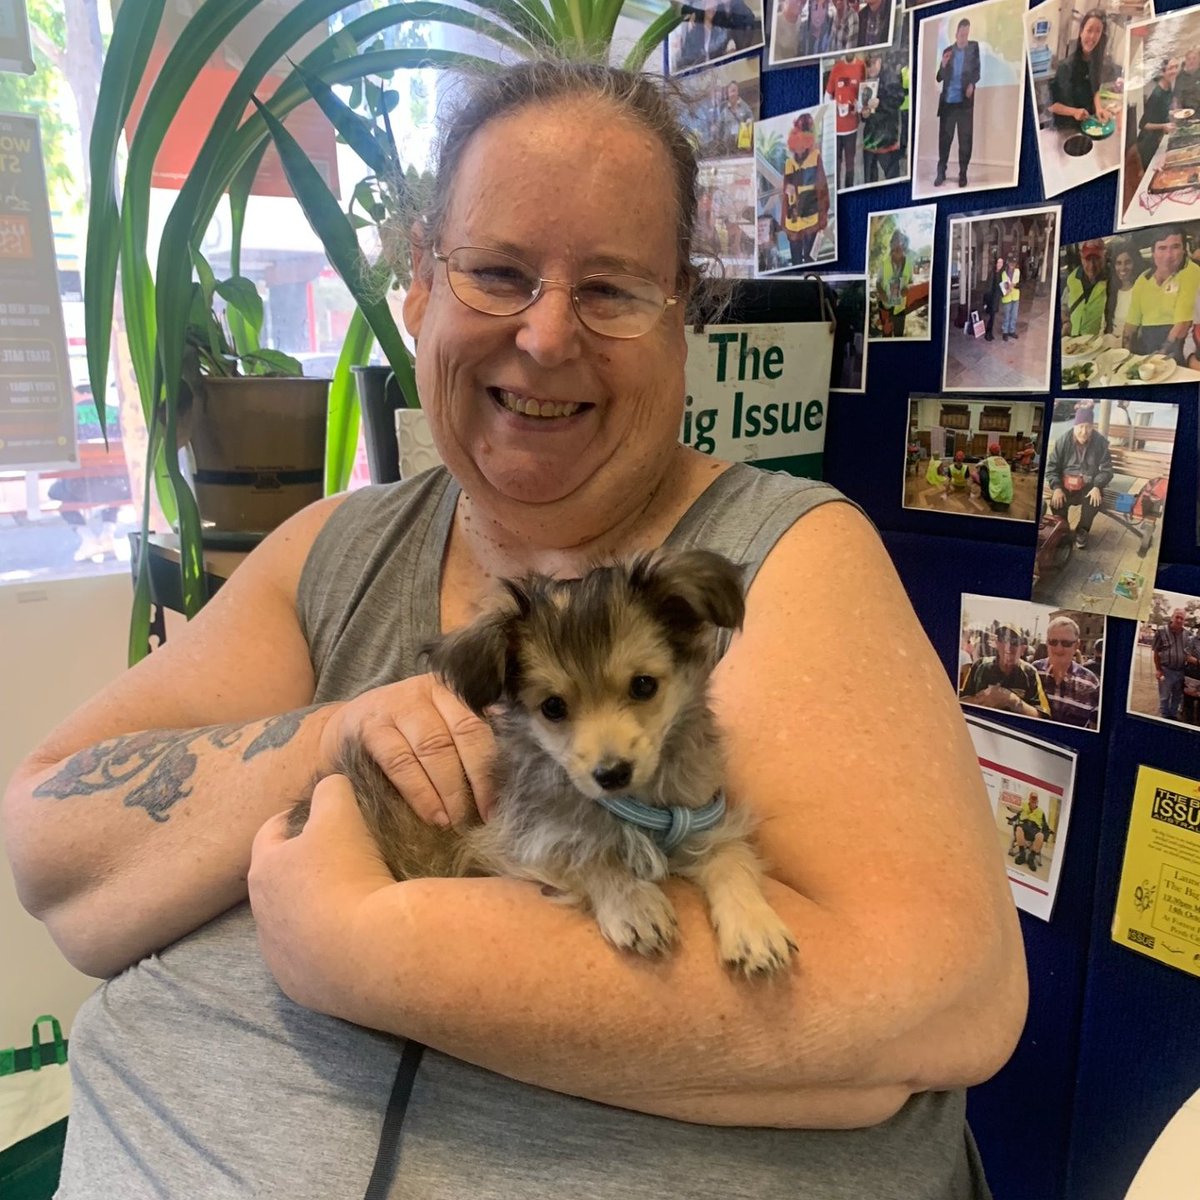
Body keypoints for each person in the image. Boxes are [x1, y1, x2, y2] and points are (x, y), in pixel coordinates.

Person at [1, 60, 1027, 1199]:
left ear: (685, 316)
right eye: (496, 274)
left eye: (611, 290)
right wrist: (340, 736)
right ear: (418, 291)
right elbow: (54, 853)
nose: (545, 338)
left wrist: (365, 947)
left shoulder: (779, 552)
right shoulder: (335, 545)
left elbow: (941, 1000)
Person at [1122, 226, 1200, 362]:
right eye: (1162, 248)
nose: (1168, 255)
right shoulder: (1143, 279)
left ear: (1184, 249)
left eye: (1175, 247)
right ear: (1153, 253)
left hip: (1177, 348)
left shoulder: (1192, 271)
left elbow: (1182, 325)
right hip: (1146, 347)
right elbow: (1130, 325)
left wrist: (1159, 356)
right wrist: (1124, 356)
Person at [1046, 403, 1113, 550]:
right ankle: (1063, 531)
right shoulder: (1062, 441)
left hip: (1088, 486)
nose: (1084, 431)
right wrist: (1056, 487)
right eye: (1080, 426)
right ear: (1074, 426)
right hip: (1066, 485)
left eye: (1088, 427)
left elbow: (1107, 470)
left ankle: (1082, 531)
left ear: (1092, 427)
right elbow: (1052, 468)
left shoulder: (1100, 442)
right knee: (1056, 503)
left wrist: (1097, 486)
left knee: (1094, 502)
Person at [959, 623, 1051, 719]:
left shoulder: (1030, 672)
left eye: (1015, 642)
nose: (1008, 648)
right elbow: (960, 701)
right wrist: (983, 699)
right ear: (997, 644)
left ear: (1023, 649)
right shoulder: (980, 666)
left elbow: (1042, 716)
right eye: (1004, 640)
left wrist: (1010, 700)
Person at [934, 18, 981, 188]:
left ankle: (963, 173)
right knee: (944, 141)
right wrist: (943, 64)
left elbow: (977, 72)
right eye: (962, 34)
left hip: (965, 105)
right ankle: (941, 172)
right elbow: (939, 77)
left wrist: (972, 84)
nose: (964, 38)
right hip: (948, 105)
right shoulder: (948, 51)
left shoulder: (974, 48)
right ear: (956, 34)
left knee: (965, 141)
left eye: (967, 34)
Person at [1032, 616, 1100, 729]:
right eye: (1053, 642)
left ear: (1077, 646)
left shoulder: (1091, 683)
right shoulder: (1034, 672)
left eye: (1066, 643)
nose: (1059, 649)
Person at [1047, 10, 1110, 130]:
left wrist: (1099, 109)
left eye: (1098, 31)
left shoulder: (1096, 62)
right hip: (1067, 128)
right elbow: (1051, 106)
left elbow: (1095, 90)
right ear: (1081, 32)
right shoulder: (1066, 67)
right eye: (1089, 30)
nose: (1093, 36)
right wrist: (1074, 112)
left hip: (1088, 124)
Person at [782, 111, 830, 265]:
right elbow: (785, 193)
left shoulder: (815, 157)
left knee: (810, 261)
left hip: (811, 217)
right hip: (794, 219)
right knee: (796, 263)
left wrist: (823, 217)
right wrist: (788, 188)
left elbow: (822, 188)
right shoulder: (789, 163)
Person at [860, 50, 905, 183]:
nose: (870, 68)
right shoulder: (866, 79)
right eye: (867, 65)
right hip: (870, 136)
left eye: (873, 63)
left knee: (892, 178)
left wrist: (881, 103)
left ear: (879, 61)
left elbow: (898, 100)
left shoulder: (891, 77)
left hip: (887, 136)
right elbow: (863, 108)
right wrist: (864, 115)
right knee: (869, 179)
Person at [826, 52, 866, 189]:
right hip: (836, 127)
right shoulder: (837, 68)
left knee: (850, 163)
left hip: (852, 127)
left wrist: (858, 107)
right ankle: (837, 192)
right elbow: (827, 96)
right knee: (836, 163)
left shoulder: (861, 66)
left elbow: (864, 94)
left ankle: (849, 189)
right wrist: (833, 108)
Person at [1135, 58, 1179, 172]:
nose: (1174, 71)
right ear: (1162, 72)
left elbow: (1161, 111)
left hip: (1159, 139)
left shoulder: (1169, 86)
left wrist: (1171, 112)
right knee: (1153, 173)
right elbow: (1143, 124)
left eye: (1176, 67)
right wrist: (1164, 126)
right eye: (1170, 68)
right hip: (1148, 143)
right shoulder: (1156, 94)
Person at [1061, 240, 1109, 337]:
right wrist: (1066, 322)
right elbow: (1064, 307)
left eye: (1096, 259)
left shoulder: (1112, 279)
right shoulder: (1072, 278)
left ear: (1104, 257)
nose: (1092, 266)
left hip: (1098, 344)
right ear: (1081, 257)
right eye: (1088, 259)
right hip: (1074, 342)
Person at [1153, 607, 1194, 720]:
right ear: (1172, 617)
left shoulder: (1188, 634)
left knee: (1177, 696)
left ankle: (1173, 715)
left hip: (1181, 671)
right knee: (1165, 696)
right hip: (1166, 670)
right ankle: (1164, 716)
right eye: (1177, 617)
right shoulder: (1161, 631)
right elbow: (1156, 652)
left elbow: (1190, 652)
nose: (1179, 620)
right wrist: (1158, 669)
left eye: (1182, 618)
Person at [875, 226, 912, 336]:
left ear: (904, 246)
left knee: (899, 336)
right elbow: (878, 282)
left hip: (900, 309)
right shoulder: (884, 263)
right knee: (886, 337)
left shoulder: (909, 264)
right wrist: (881, 293)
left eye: (900, 242)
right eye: (895, 242)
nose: (898, 246)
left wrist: (907, 289)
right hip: (885, 307)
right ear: (891, 245)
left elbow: (910, 282)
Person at [1011, 792, 1053, 872]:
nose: (1033, 801)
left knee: (1040, 835)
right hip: (1024, 825)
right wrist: (1012, 819)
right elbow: (1017, 814)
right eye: (1032, 799)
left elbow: (1044, 825)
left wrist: (1047, 832)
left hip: (1034, 829)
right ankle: (1022, 854)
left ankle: (1031, 858)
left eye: (1035, 799)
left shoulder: (1041, 812)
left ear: (1037, 801)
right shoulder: (1023, 805)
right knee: (1019, 828)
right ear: (1029, 799)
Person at [1107, 241, 1139, 338]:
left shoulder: (1140, 289)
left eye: (1127, 262)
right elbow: (1105, 325)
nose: (1123, 268)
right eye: (1118, 263)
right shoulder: (1112, 291)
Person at [976, 441, 1013, 513]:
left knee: (982, 469)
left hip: (995, 496)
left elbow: (976, 465)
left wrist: (984, 463)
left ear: (990, 452)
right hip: (1008, 498)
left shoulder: (989, 460)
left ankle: (986, 495)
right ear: (999, 452)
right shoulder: (1004, 460)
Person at [999, 255, 1021, 342]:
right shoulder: (1004, 273)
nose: (1013, 265)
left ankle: (1011, 330)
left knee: (1014, 315)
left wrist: (1011, 286)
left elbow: (1016, 283)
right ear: (1008, 263)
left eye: (1014, 263)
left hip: (1015, 296)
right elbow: (1003, 284)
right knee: (1006, 315)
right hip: (1007, 297)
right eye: (1011, 262)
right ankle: (1005, 331)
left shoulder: (1017, 271)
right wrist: (1007, 288)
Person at [983, 253, 1005, 341]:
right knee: (990, 317)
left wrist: (1003, 292)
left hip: (996, 298)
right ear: (996, 263)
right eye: (999, 263)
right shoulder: (993, 273)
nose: (1000, 264)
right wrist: (985, 301)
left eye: (1001, 263)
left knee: (992, 317)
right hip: (991, 299)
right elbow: (988, 288)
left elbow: (1001, 286)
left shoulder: (1000, 273)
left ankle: (990, 333)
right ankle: (987, 334)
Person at [1174, 47, 1200, 113]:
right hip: (1186, 112)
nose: (1191, 61)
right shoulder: (1180, 76)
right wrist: (1176, 109)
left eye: (1194, 58)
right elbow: (1177, 97)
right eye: (1189, 59)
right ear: (1186, 61)